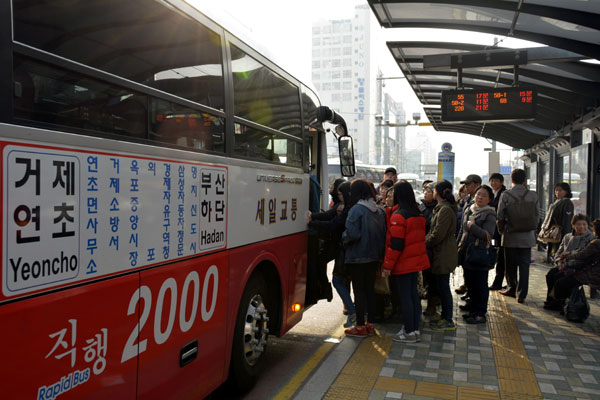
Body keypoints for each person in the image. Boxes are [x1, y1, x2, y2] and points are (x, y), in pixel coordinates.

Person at [382, 182, 430, 342]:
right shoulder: (417, 214)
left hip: (403, 263)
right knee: (413, 296)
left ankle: (409, 332)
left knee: (405, 298)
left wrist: (387, 266)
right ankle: (414, 329)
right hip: (415, 262)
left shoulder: (398, 216)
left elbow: (396, 245)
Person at [306, 181, 356, 326]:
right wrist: (313, 217)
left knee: (338, 281)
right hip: (347, 251)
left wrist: (312, 222)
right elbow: (329, 215)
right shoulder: (347, 207)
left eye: (340, 194)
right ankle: (358, 316)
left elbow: (334, 224)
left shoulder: (350, 210)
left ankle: (354, 314)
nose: (338, 196)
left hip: (346, 251)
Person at [343, 179, 387, 337]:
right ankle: (370, 324)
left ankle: (360, 325)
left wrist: (343, 237)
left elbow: (352, 234)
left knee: (359, 291)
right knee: (370, 290)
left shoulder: (356, 210)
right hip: (374, 256)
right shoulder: (379, 211)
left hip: (358, 257)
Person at [497, 168, 539, 303]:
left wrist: (502, 231)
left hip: (510, 235)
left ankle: (511, 288)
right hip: (527, 236)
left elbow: (499, 216)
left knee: (510, 265)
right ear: (524, 180)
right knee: (524, 265)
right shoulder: (533, 195)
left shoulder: (506, 195)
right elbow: (537, 216)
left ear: (512, 179)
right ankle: (521, 294)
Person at [458, 185, 497, 324]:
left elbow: (488, 235)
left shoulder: (490, 214)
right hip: (467, 252)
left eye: (484, 196)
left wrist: (472, 226)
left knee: (480, 284)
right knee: (470, 282)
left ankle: (480, 313)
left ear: (489, 199)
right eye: (478, 194)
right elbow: (462, 231)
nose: (480, 197)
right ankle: (473, 308)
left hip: (480, 254)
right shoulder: (470, 208)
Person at [425, 180, 458, 331]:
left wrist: (425, 242)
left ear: (437, 192)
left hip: (443, 253)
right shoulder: (442, 208)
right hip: (441, 252)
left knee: (444, 288)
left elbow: (438, 234)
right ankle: (445, 316)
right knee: (441, 286)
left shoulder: (445, 210)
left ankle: (448, 319)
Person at [544, 214, 594, 310]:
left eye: (584, 224)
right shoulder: (567, 237)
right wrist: (558, 262)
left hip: (578, 267)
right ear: (573, 225)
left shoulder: (590, 239)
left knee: (559, 278)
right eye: (579, 224)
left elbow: (583, 256)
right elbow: (558, 252)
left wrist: (566, 262)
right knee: (550, 274)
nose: (582, 227)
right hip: (564, 265)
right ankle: (551, 299)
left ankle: (559, 301)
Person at [455, 174, 482, 296]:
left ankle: (473, 297)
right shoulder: (467, 201)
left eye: (468, 184)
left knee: (475, 274)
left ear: (477, 185)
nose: (466, 187)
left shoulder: (480, 203)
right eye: (465, 184)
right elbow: (463, 224)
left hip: (475, 242)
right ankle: (469, 293)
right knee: (467, 269)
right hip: (465, 239)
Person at [540, 182, 575, 262]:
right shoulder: (557, 201)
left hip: (559, 232)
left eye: (560, 190)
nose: (557, 192)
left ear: (566, 191)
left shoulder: (567, 203)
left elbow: (567, 220)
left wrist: (566, 235)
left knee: (557, 251)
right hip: (553, 232)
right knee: (552, 249)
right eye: (556, 190)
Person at [420, 183, 439, 316]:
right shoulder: (420, 207)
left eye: (429, 192)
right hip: (420, 246)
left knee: (431, 278)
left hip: (431, 248)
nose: (426, 194)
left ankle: (432, 305)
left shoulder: (437, 209)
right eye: (425, 191)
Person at [488, 173, 507, 290]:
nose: (493, 183)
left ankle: (498, 281)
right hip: (495, 231)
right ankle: (502, 281)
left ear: (501, 182)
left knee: (501, 257)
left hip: (501, 231)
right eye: (491, 181)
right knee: (499, 255)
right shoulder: (494, 194)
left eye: (495, 181)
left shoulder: (503, 194)